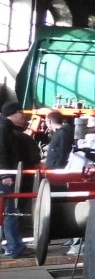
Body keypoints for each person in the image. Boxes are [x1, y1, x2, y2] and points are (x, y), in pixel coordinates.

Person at [0, 101, 40, 259]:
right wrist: (6, 175)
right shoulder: (3, 129)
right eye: (21, 113)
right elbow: (1, 152)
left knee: (7, 211)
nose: (23, 117)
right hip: (5, 177)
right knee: (10, 211)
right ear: (14, 113)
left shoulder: (6, 128)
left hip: (6, 175)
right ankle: (15, 247)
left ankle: (11, 245)